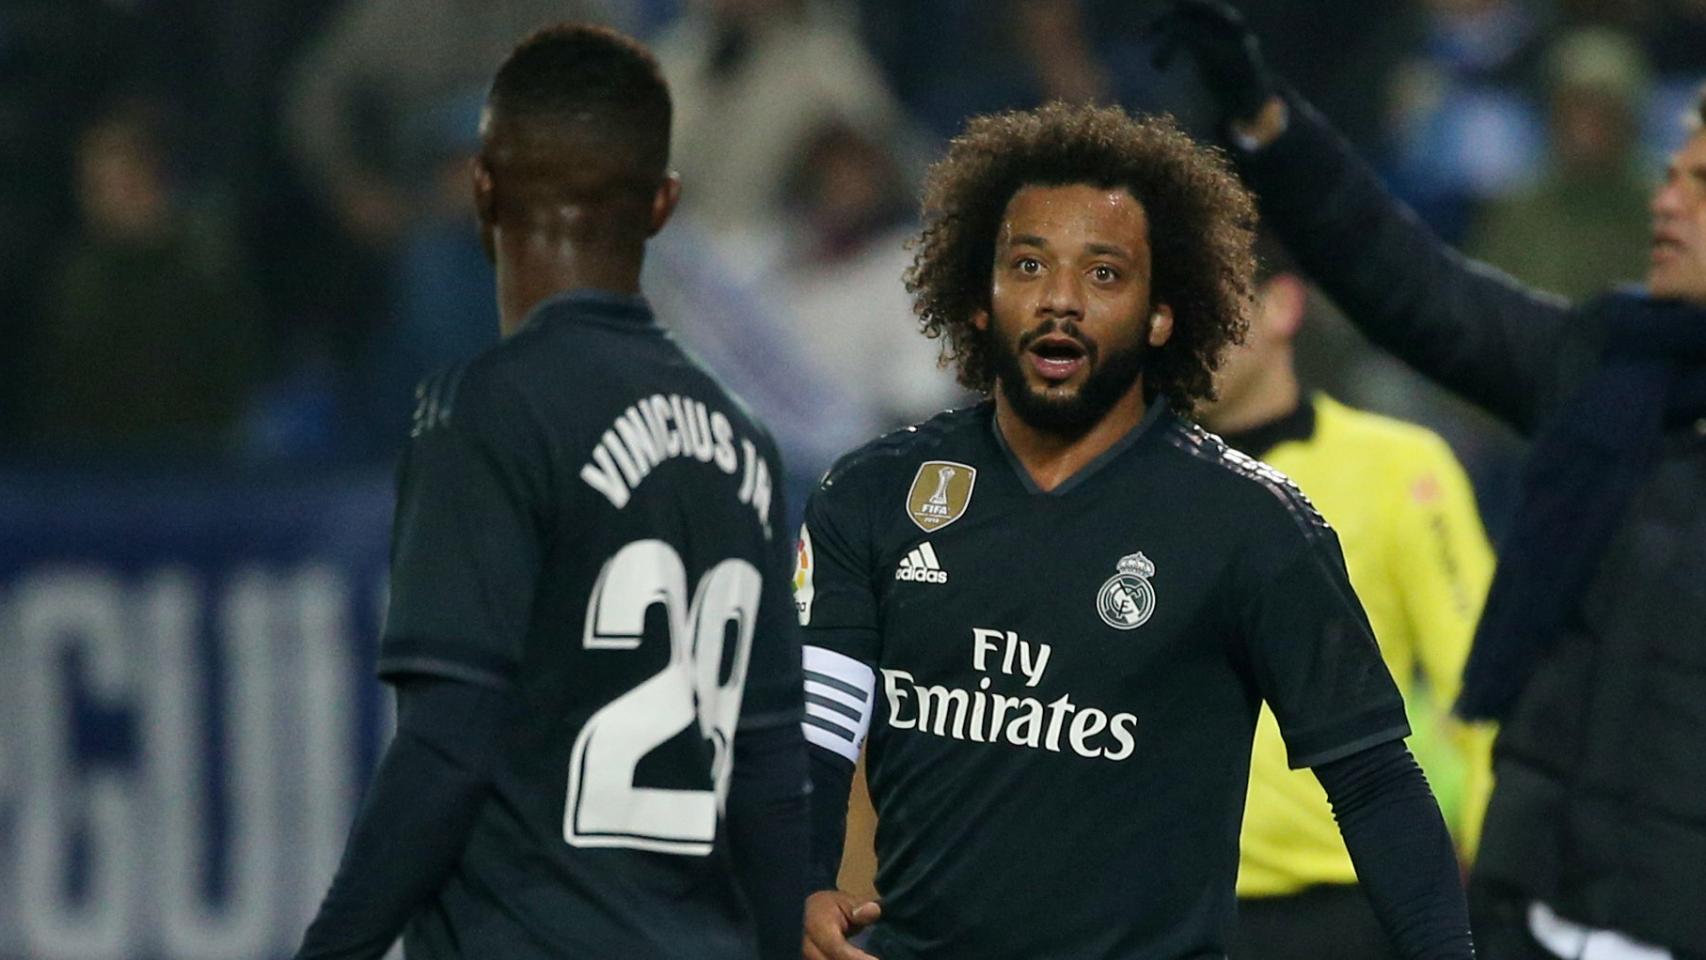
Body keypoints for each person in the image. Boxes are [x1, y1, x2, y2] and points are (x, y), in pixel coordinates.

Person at [795, 101, 1473, 960]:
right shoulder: (875, 493)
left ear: (1163, 313)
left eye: (1105, 274)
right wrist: (801, 878)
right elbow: (815, 727)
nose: (1061, 301)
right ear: (977, 297)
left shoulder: (1254, 525)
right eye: (1029, 265)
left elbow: (1373, 780)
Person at [1151, 2, 1706, 957]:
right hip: (1528, 905)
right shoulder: (1610, 369)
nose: (1664, 202)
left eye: (1699, 187)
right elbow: (1409, 283)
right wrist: (1269, 124)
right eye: (1669, 179)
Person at [292, 25, 807, 960]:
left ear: (484, 192)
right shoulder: (746, 444)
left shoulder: (481, 415)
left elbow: (449, 746)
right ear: (661, 206)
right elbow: (771, 778)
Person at [1200, 244, 1498, 960]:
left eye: (1212, 298)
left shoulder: (1400, 468)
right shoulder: (1134, 481)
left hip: (1348, 909)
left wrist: (1496, 890)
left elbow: (1488, 692)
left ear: (1283, 305)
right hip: (1169, 907)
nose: (1186, 326)